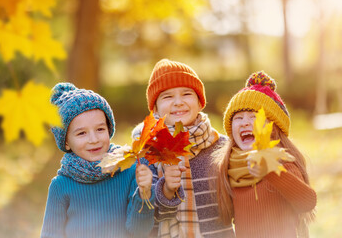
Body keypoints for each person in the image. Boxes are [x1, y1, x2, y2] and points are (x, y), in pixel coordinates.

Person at [132, 59, 235, 237]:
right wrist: (167, 191)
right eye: (167, 96)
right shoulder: (145, 152)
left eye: (187, 94)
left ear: (200, 102)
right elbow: (143, 217)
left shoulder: (222, 147)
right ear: (155, 108)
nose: (178, 102)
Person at [41, 83, 155, 238]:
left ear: (109, 129)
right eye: (81, 133)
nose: (93, 139)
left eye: (100, 129)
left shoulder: (129, 171)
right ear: (66, 142)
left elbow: (139, 231)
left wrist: (145, 193)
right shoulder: (60, 186)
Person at [213, 71, 317, 238]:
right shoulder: (230, 168)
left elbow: (307, 202)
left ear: (273, 128)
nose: (245, 122)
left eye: (254, 117)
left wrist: (271, 171)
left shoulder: (282, 162)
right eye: (238, 118)